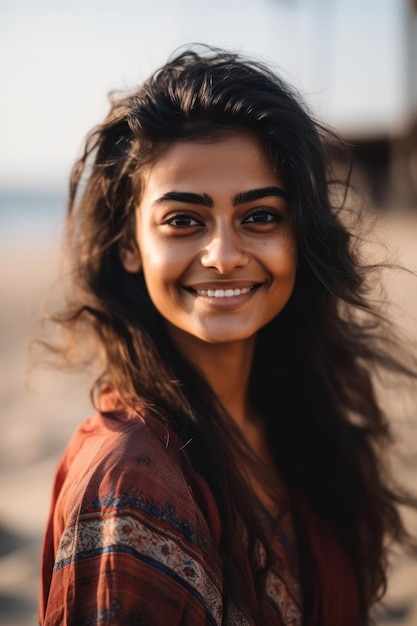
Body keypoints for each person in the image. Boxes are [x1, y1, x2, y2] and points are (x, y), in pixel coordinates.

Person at [37, 44, 417, 626]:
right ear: (129, 246)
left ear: (300, 234)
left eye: (260, 215)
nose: (223, 257)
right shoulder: (130, 480)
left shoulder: (301, 417)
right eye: (183, 221)